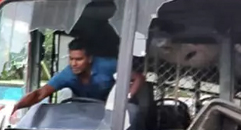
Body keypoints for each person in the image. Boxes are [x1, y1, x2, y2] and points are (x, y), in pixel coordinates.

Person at [13, 39, 143, 111]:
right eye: (71, 59)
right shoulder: (67, 74)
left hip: (113, 112)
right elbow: (40, 94)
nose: (73, 63)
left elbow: (138, 78)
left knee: (132, 111)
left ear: (90, 59)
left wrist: (126, 99)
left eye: (79, 59)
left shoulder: (108, 65)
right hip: (85, 111)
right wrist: (16, 107)